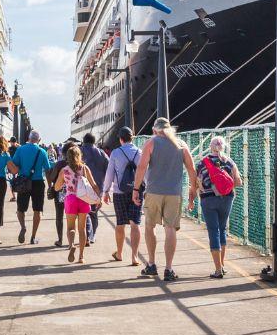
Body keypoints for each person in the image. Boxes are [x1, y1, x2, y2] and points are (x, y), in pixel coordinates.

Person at [132, 117, 197, 281]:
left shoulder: (151, 142)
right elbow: (191, 169)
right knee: (170, 229)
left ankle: (152, 264)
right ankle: (169, 269)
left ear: (155, 130)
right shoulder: (181, 144)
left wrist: (135, 189)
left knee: (149, 226)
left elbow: (141, 167)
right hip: (174, 193)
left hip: (154, 192)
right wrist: (193, 190)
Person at [189, 135, 243, 278]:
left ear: (210, 147)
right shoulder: (229, 162)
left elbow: (195, 184)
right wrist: (224, 187)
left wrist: (192, 199)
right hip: (227, 199)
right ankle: (222, 265)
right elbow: (238, 182)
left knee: (214, 231)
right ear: (223, 147)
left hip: (208, 200)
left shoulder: (202, 163)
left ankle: (218, 270)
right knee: (222, 229)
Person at [100, 126, 143, 265]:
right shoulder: (139, 152)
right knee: (135, 223)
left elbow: (109, 173)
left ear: (120, 139)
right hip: (137, 191)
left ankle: (119, 253)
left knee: (120, 223)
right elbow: (145, 172)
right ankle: (135, 256)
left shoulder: (116, 153)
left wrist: (105, 191)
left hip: (119, 192)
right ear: (132, 138)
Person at [53, 145, 101, 264]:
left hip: (70, 199)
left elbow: (56, 187)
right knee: (82, 228)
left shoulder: (64, 170)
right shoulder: (84, 168)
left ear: (67, 157)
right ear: (79, 156)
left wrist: (65, 183)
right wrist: (98, 198)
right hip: (83, 198)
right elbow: (94, 184)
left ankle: (71, 245)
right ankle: (81, 257)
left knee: (70, 228)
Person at [8, 130, 52, 244]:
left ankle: (23, 227)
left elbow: (14, 165)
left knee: (20, 209)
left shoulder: (20, 149)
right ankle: (33, 237)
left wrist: (15, 176)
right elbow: (47, 170)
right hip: (38, 183)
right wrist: (50, 185)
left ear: (28, 138)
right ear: (39, 140)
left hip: (23, 182)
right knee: (37, 210)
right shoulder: (42, 151)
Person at [80, 133, 109, 244]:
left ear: (84, 140)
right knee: (94, 212)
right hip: (98, 187)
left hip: (82, 187)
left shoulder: (79, 151)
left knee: (83, 212)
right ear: (94, 141)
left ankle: (86, 235)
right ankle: (92, 235)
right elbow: (109, 169)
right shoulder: (101, 153)